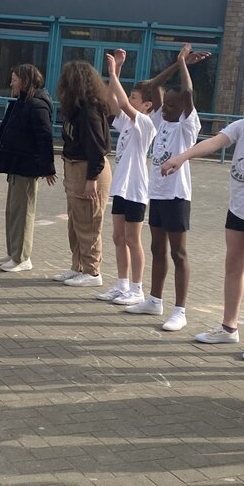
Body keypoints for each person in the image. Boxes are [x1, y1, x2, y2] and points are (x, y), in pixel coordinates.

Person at [161, 77, 244, 360]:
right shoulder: (242, 126)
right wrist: (181, 158)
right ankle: (229, 327)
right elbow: (214, 142)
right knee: (232, 265)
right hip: (240, 206)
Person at [127, 44, 208, 329]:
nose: (168, 108)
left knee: (178, 253)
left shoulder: (187, 127)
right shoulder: (160, 120)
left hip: (176, 197)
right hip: (157, 195)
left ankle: (180, 310)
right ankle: (154, 300)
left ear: (184, 108)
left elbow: (188, 93)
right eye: (167, 105)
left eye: (174, 106)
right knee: (157, 248)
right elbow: (152, 86)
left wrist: (183, 65)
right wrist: (177, 63)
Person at [95, 51, 160, 307]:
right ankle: (122, 284)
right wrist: (118, 70)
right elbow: (112, 101)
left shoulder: (145, 124)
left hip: (136, 189)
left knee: (133, 239)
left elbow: (122, 104)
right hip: (121, 188)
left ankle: (137, 288)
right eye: (130, 95)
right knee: (118, 237)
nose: (130, 100)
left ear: (147, 105)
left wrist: (113, 73)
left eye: (135, 98)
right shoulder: (127, 124)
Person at [52, 60, 112, 288]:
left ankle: (92, 271)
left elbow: (97, 148)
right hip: (74, 166)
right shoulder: (75, 109)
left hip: (88, 169)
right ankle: (77, 266)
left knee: (89, 222)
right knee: (76, 222)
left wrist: (91, 179)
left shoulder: (89, 111)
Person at [0, 64, 55, 272]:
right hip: (16, 165)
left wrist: (47, 167)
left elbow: (44, 136)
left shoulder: (37, 105)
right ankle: (13, 252)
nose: (11, 83)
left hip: (27, 167)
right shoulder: (21, 102)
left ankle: (22, 257)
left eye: (15, 79)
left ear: (25, 81)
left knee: (23, 212)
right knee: (13, 211)